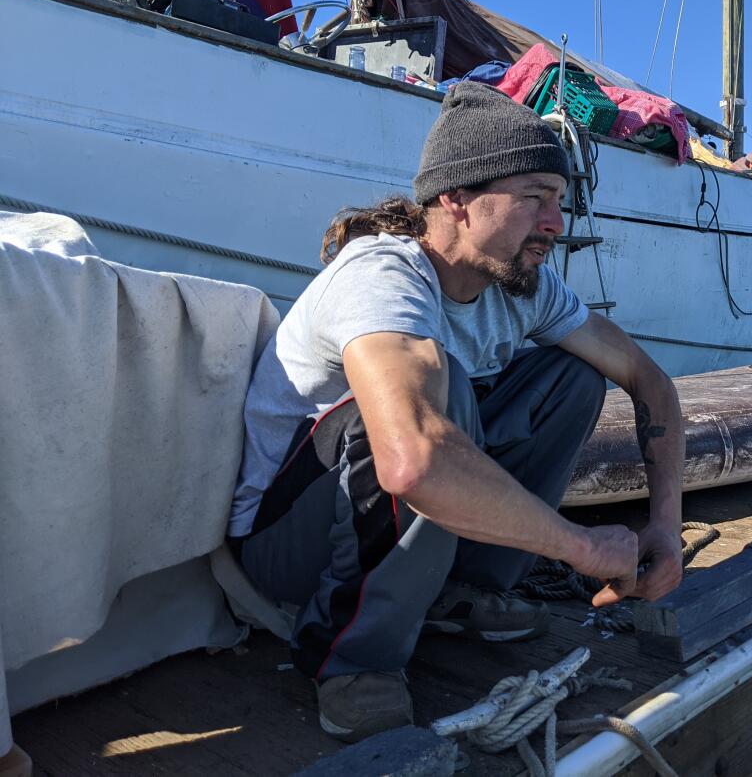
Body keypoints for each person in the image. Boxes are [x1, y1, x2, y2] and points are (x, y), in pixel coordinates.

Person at [226, 82, 684, 743]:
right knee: (437, 397)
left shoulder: (522, 282)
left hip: (394, 514)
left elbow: (650, 381)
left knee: (574, 377)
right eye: (534, 198)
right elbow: (413, 461)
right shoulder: (382, 277)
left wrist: (665, 527)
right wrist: (583, 546)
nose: (556, 224)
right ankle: (351, 659)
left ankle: (460, 591)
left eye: (559, 202)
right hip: (285, 545)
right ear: (456, 200)